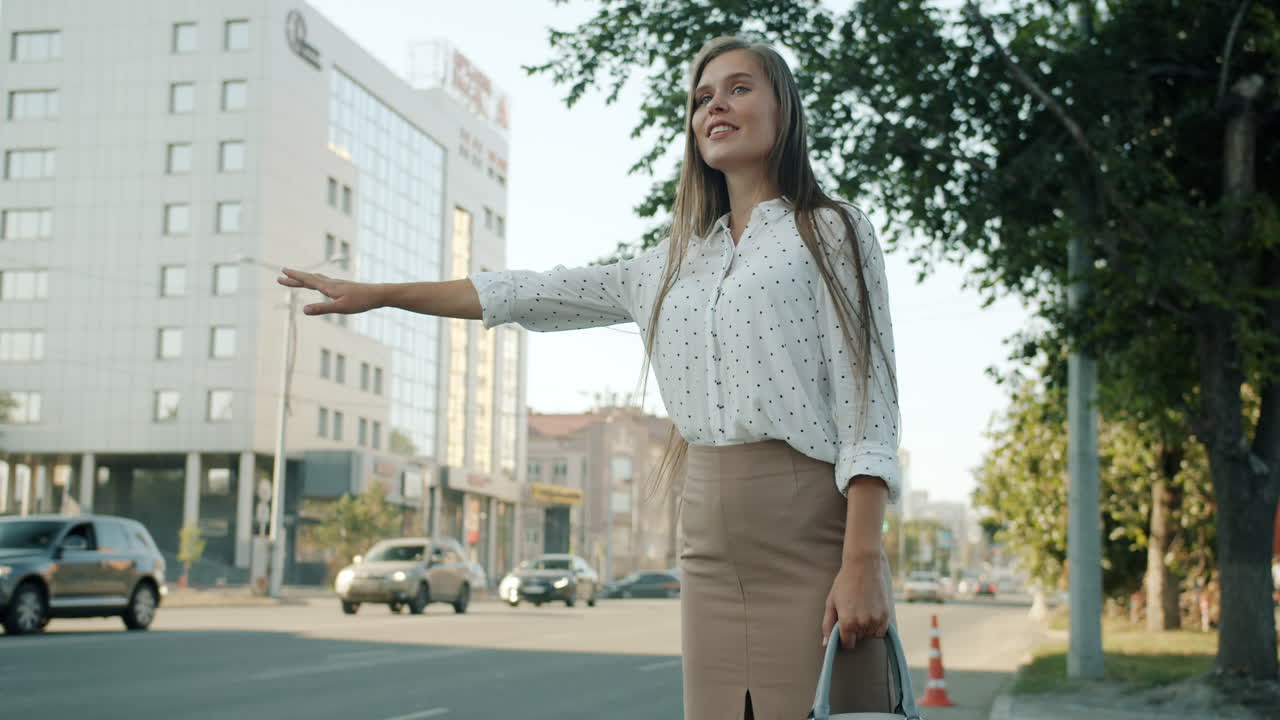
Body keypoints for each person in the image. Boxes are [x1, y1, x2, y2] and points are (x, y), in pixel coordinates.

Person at [280, 35, 902, 720]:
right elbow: (524, 293)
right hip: (706, 541)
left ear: (784, 109)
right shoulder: (665, 266)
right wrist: (382, 293)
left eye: (738, 88)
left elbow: (868, 405)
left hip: (808, 530)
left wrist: (862, 560)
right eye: (700, 99)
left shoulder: (833, 231)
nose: (714, 106)